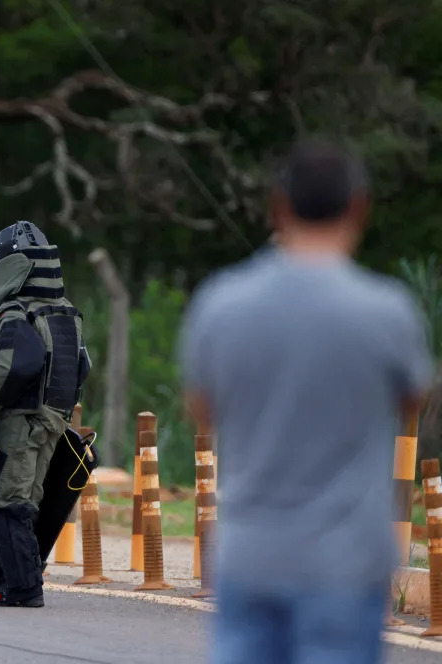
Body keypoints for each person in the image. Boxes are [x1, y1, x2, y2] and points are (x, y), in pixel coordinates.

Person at [178, 137, 435, 664]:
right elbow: (415, 400)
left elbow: (200, 409)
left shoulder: (220, 302)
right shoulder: (389, 311)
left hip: (250, 554)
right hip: (346, 562)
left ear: (278, 205)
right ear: (359, 208)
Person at [0, 220, 89, 607]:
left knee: (9, 501)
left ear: (8, 269)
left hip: (23, 418)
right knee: (18, 497)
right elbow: (82, 366)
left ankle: (23, 587)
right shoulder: (64, 312)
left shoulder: (15, 314)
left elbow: (16, 366)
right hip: (53, 417)